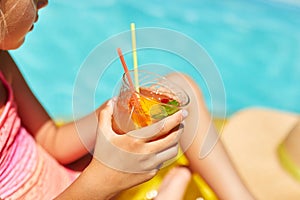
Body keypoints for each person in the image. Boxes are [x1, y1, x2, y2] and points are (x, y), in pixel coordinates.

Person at [0, 0, 255, 199]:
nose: (45, 2)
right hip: (86, 190)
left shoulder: (3, 62)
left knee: (179, 87)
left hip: (70, 177)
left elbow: (50, 141)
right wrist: (105, 179)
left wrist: (114, 112)